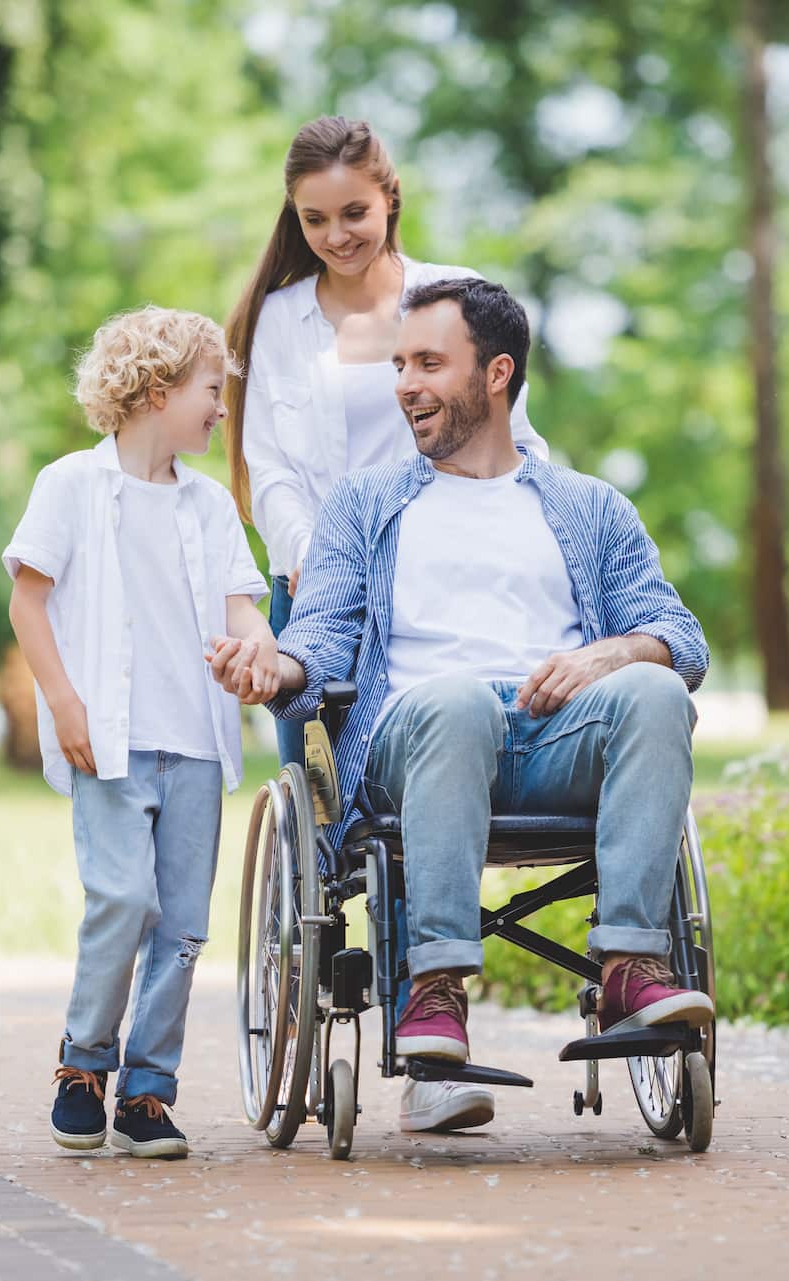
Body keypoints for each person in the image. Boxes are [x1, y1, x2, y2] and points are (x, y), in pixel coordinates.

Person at [211, 278, 714, 1093]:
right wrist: (277, 666)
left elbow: (680, 636)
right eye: (399, 363)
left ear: (497, 373)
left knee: (658, 691)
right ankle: (433, 985)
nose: (404, 383)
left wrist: (609, 657)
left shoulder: (591, 508)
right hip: (420, 740)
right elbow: (322, 637)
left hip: (558, 735)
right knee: (456, 699)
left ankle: (631, 964)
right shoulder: (365, 504)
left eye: (428, 363)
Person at [223, 114, 548, 1133]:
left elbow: (510, 428)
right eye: (314, 219)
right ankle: (341, 992)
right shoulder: (281, 320)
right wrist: (319, 555)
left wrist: (560, 520)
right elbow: (266, 466)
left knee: (424, 794)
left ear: (390, 195)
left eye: (353, 213)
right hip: (322, 585)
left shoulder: (450, 294)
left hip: (442, 583)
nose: (337, 235)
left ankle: (433, 1060)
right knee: (340, 830)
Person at [5, 306, 273, 1160]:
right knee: (124, 899)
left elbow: (242, 608)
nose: (220, 409)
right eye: (210, 390)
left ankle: (148, 1091)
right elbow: (28, 600)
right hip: (109, 741)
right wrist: (64, 702)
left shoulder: (210, 506)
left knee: (183, 926)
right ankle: (84, 1063)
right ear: (158, 391)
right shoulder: (70, 487)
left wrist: (257, 647)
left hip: (195, 740)